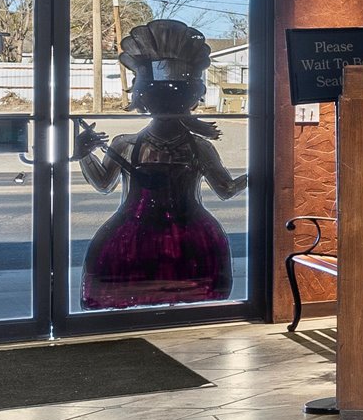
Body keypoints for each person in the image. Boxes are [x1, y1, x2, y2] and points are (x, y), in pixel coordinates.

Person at [75, 19, 245, 308]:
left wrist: (84, 154)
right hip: (152, 241)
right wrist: (84, 153)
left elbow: (226, 189)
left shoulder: (194, 147)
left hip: (186, 242)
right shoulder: (128, 144)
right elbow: (103, 184)